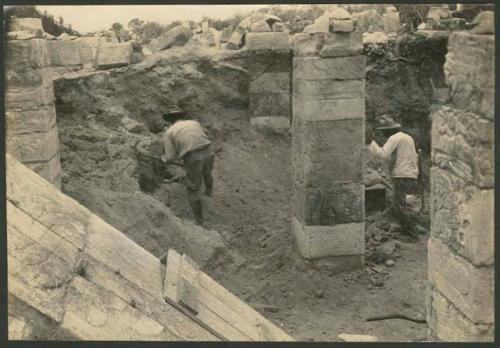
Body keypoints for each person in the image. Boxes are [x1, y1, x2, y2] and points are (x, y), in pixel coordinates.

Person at [366, 115, 424, 237]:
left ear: (388, 131)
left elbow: (383, 154)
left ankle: (412, 235)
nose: (383, 136)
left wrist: (370, 142)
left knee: (401, 206)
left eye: (384, 132)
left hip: (402, 175)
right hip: (412, 174)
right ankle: (415, 228)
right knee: (411, 204)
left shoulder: (394, 138)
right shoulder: (408, 137)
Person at [160, 109, 214, 225]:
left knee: (193, 189)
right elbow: (202, 136)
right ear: (182, 117)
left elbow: (170, 157)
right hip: (209, 151)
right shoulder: (194, 123)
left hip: (193, 157)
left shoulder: (169, 132)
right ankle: (208, 194)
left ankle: (199, 222)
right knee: (207, 173)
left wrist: (164, 159)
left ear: (169, 121)